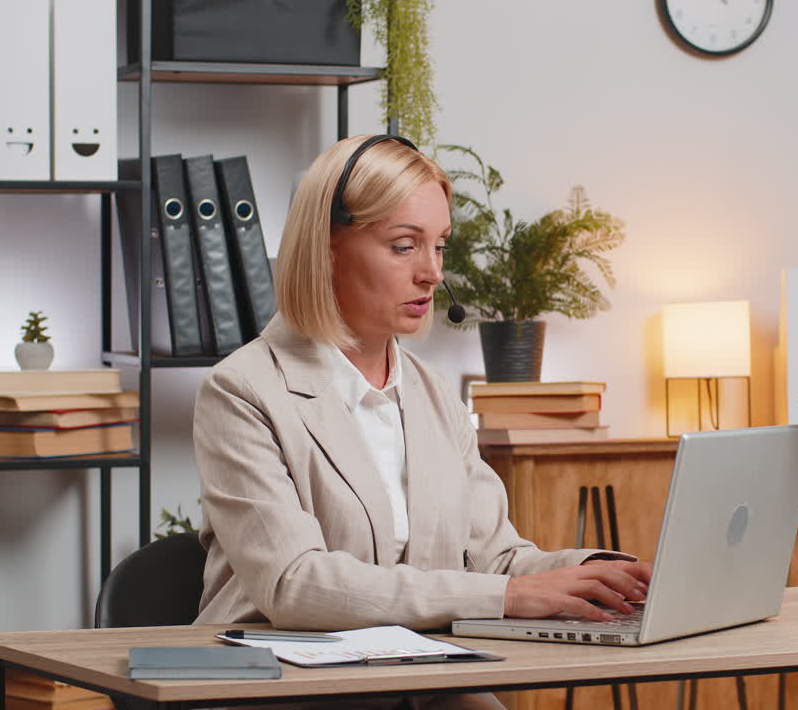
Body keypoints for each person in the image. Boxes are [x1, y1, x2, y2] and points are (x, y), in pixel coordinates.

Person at [191, 135, 652, 709]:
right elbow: (295, 584)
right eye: (405, 246)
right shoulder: (243, 390)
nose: (432, 273)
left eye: (439, 246)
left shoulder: (433, 394)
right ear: (328, 248)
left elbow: (494, 560)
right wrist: (509, 596)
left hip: (418, 677)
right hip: (287, 689)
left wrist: (600, 573)